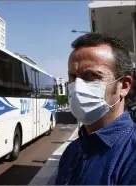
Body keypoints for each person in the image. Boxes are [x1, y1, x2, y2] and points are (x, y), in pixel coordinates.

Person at [55, 33, 136, 185]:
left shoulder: (131, 154)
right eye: (73, 77)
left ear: (124, 86)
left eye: (91, 76)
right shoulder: (72, 151)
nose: (77, 87)